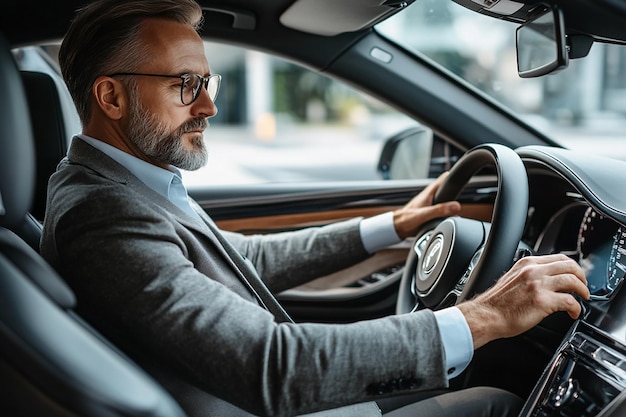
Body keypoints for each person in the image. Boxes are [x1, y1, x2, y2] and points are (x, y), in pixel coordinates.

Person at [40, 0, 590, 416]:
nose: (207, 104)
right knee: (498, 402)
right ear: (111, 97)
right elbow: (270, 365)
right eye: (185, 84)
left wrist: (390, 228)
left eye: (207, 81)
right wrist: (485, 316)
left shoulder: (123, 185)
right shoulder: (103, 214)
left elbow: (240, 258)